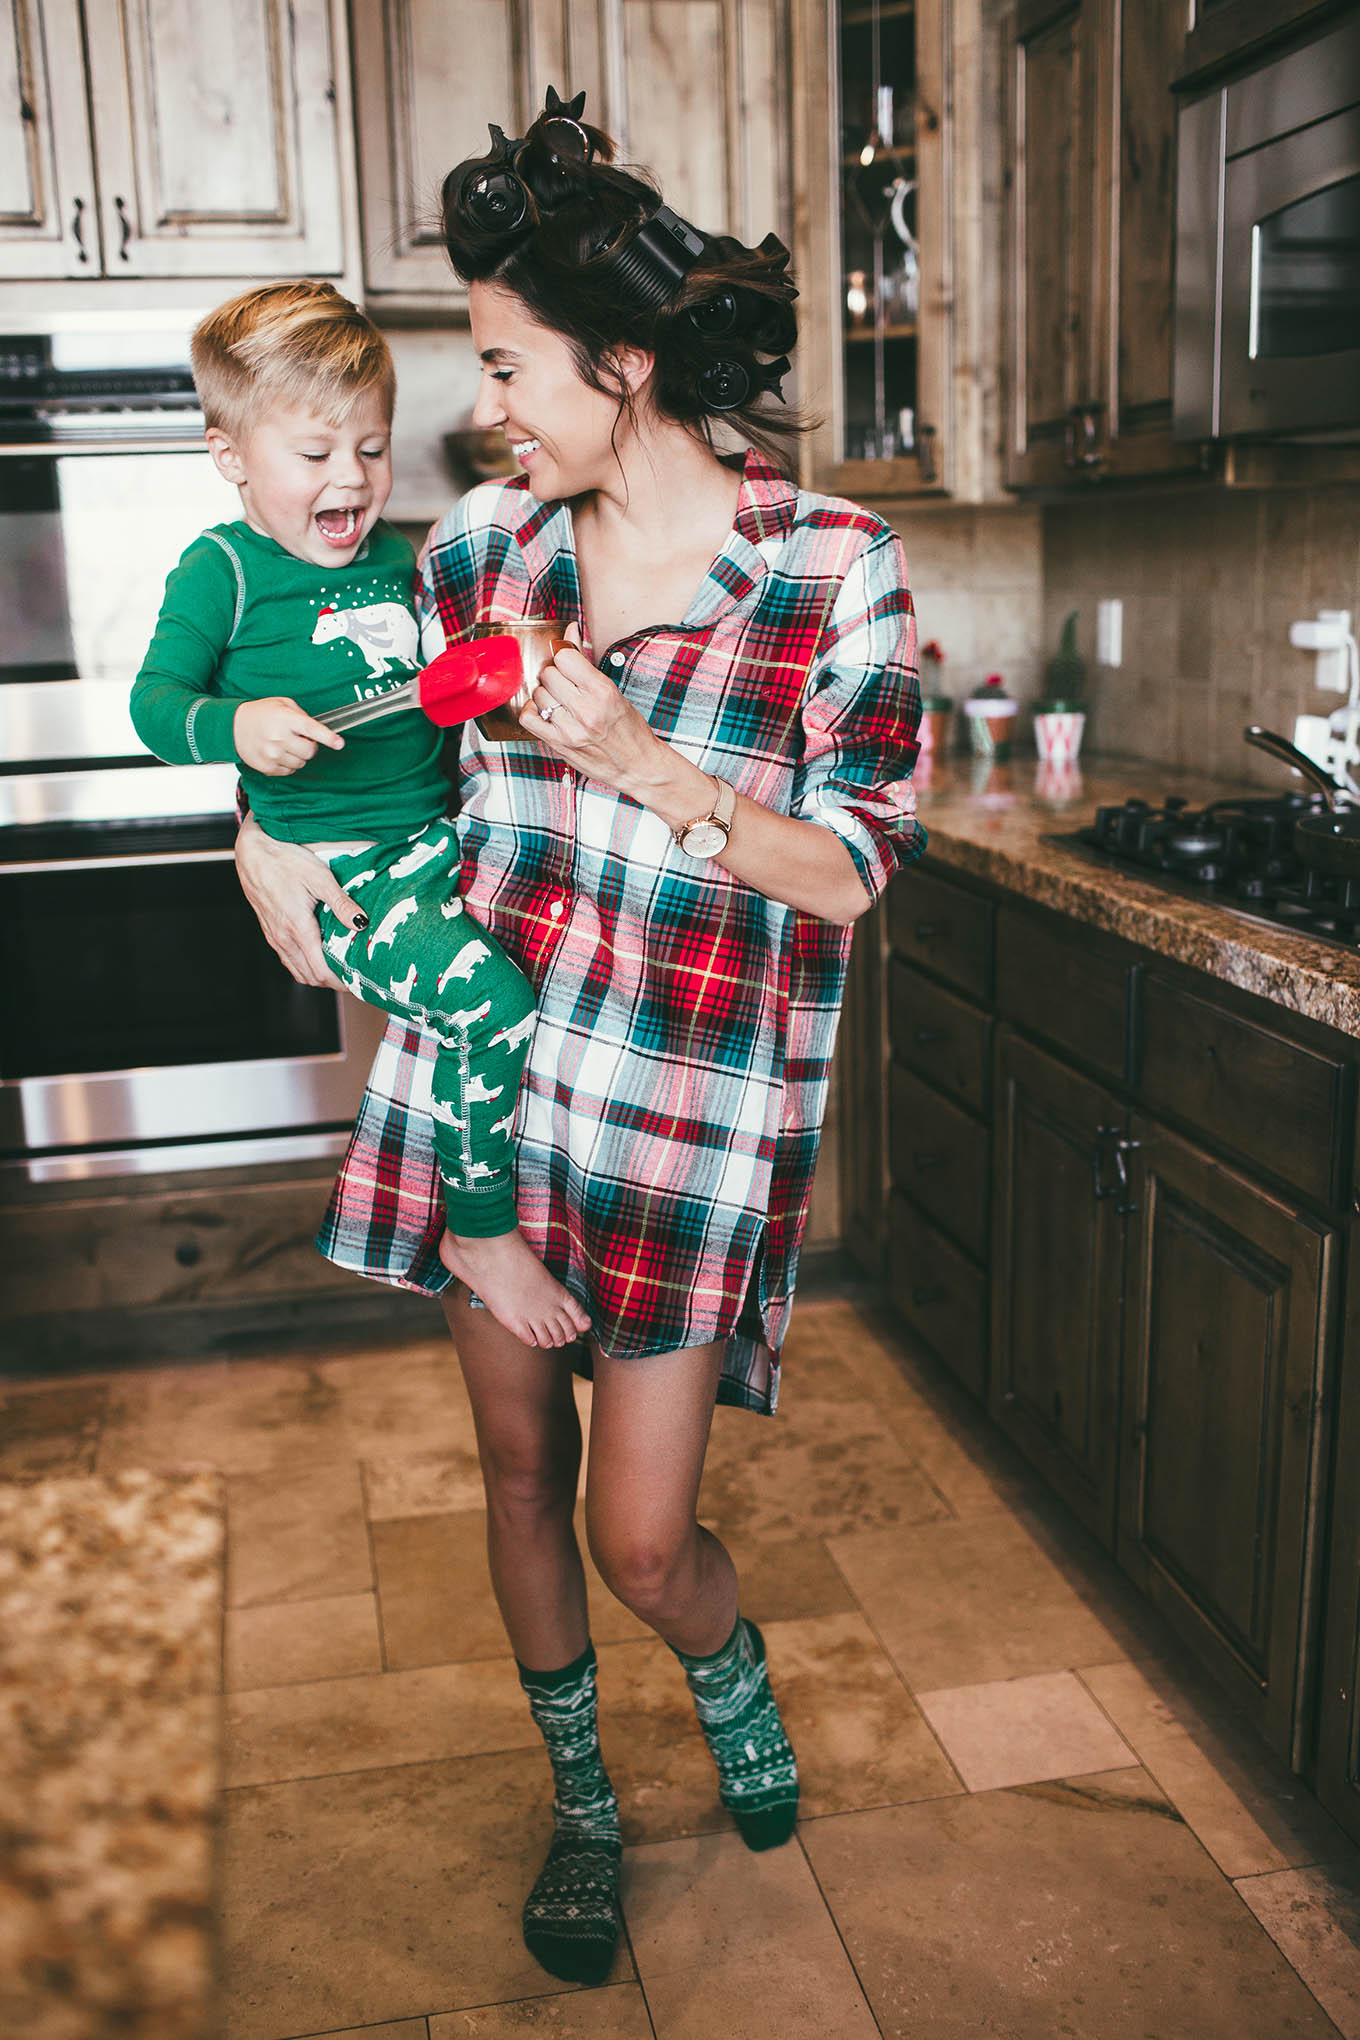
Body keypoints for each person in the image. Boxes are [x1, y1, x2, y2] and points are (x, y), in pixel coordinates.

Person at [234, 91, 925, 1990]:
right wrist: (254, 818)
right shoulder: (479, 551)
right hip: (490, 1111)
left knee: (642, 1533)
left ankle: (728, 1670)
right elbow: (325, 714)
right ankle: (587, 1807)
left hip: (692, 1127)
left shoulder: (829, 573)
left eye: (512, 363)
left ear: (623, 365)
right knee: (519, 1481)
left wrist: (641, 759)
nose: (490, 404)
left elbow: (851, 875)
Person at [130, 280, 589, 1351]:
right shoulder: (222, 571)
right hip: (340, 873)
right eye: (316, 454)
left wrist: (506, 665)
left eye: (372, 451)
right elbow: (155, 706)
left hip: (444, 841)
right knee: (493, 1009)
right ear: (231, 455)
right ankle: (480, 1232)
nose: (353, 479)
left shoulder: (402, 559)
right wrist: (235, 731)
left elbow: (453, 701)